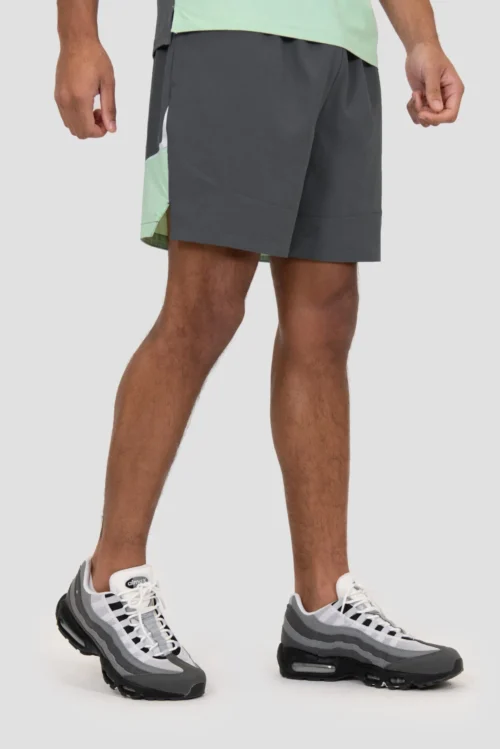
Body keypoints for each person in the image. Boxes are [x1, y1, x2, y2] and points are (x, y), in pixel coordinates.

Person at [54, 0, 465, 700]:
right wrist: (77, 35)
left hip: (342, 46)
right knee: (204, 306)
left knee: (325, 319)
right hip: (228, 29)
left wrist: (422, 38)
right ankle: (107, 578)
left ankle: (322, 605)